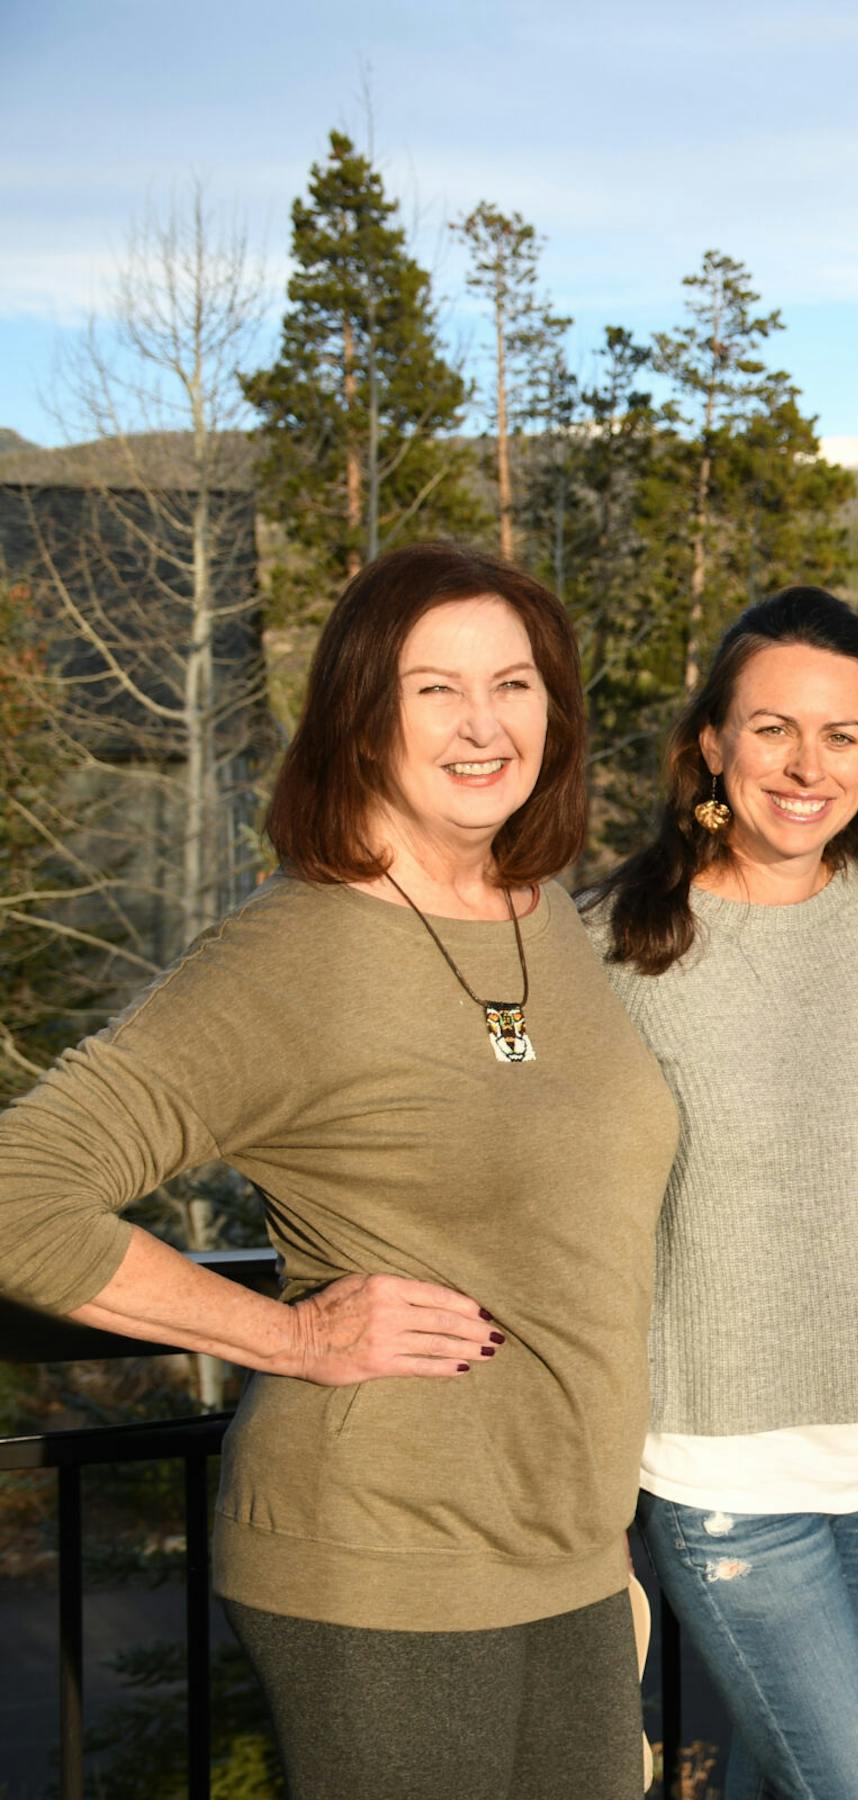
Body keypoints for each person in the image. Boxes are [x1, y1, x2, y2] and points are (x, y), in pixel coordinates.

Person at [0, 543, 678, 1799]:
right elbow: (17, 1189)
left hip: (571, 1554)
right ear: (362, 720)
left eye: (515, 684)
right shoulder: (297, 952)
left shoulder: (541, 913)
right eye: (435, 689)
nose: (485, 725)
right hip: (383, 1553)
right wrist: (289, 1337)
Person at [586, 587, 858, 1800]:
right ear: (711, 742)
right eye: (773, 729)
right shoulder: (620, 950)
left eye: (842, 735)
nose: (809, 766)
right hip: (723, 1481)